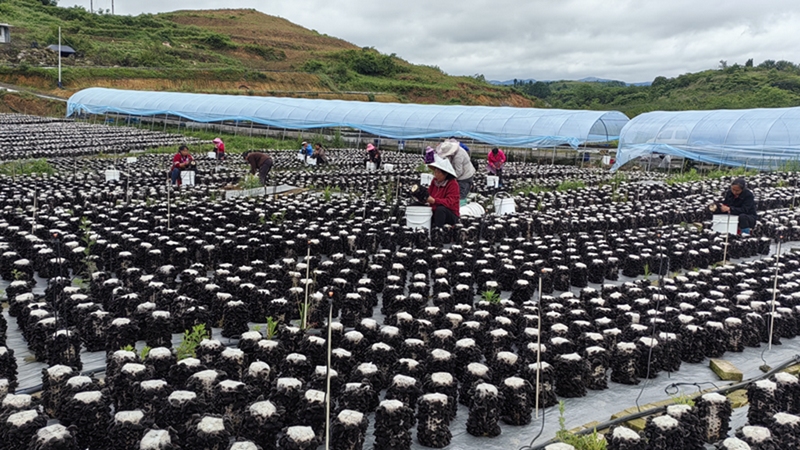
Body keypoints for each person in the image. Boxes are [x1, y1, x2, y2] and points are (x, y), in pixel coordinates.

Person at [426, 155, 460, 228]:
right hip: (434, 211)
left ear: (445, 174)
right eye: (435, 172)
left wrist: (434, 201)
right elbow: (428, 193)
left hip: (450, 214)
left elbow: (449, 202)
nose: (436, 175)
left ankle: (438, 232)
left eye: (438, 173)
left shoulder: (453, 184)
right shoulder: (434, 181)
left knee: (440, 209)